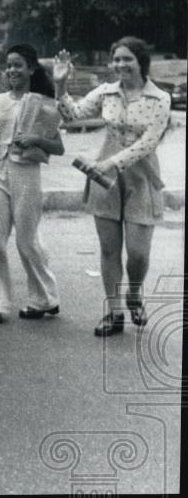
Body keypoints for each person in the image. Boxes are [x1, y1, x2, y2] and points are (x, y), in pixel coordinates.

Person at [54, 37, 171, 337]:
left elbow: (147, 144)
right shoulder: (106, 93)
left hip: (141, 178)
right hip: (104, 178)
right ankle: (114, 311)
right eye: (116, 59)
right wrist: (60, 85)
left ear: (141, 62)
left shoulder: (160, 99)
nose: (120, 65)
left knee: (138, 253)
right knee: (109, 249)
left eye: (127, 59)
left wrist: (109, 163)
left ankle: (134, 293)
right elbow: (72, 115)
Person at [0, 44, 64, 324]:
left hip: (27, 171)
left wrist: (36, 140)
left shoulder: (43, 102)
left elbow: (58, 147)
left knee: (28, 238)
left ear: (31, 69)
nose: (12, 70)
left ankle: (44, 299)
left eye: (18, 65)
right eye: (8, 65)